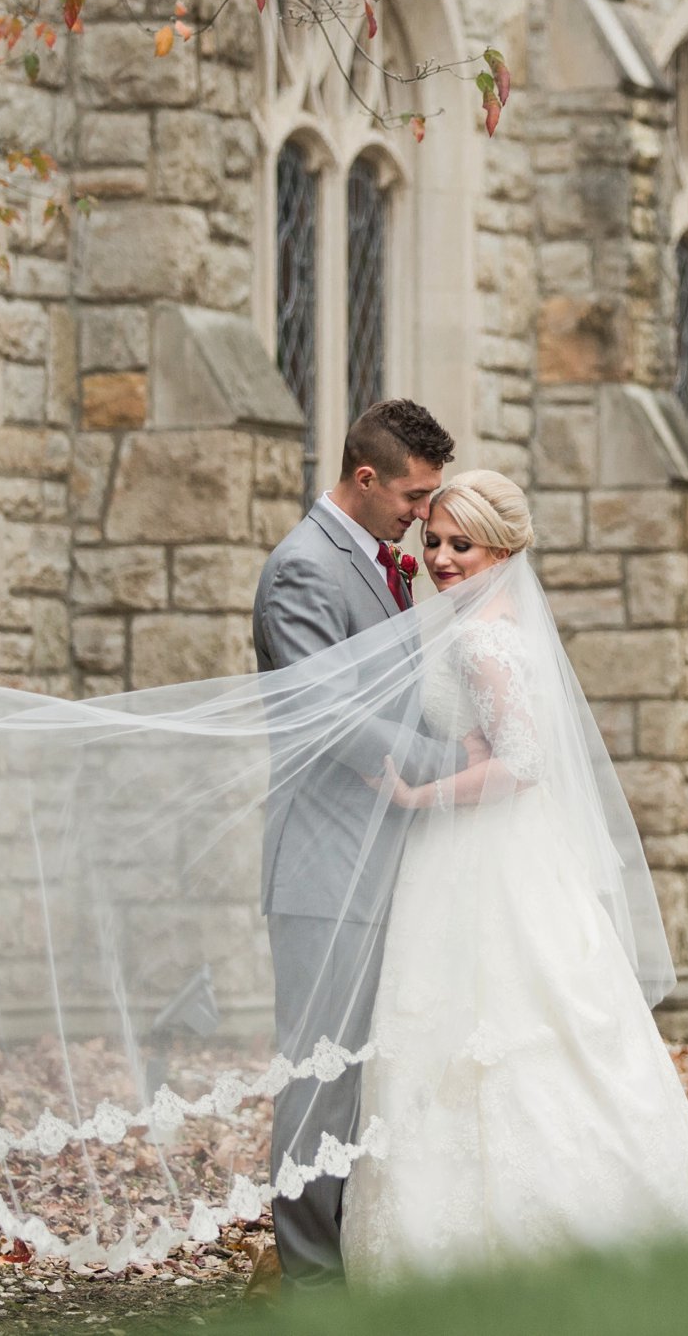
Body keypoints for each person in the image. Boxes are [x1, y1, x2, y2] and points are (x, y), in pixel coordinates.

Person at [338, 470, 688, 1285]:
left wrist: (419, 792)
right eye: (436, 540)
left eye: (462, 544)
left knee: (500, 1026)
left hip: (485, 854)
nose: (442, 558)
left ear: (504, 549)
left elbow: (518, 762)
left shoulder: (485, 636)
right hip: (490, 851)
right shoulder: (488, 620)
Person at [251, 399, 466, 1290]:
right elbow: (329, 716)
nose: (423, 516)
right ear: (366, 477)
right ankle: (304, 1279)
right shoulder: (302, 568)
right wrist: (460, 766)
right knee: (320, 1075)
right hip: (325, 865)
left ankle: (346, 1250)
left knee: (371, 1070)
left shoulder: (384, 565)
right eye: (413, 497)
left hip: (387, 859)